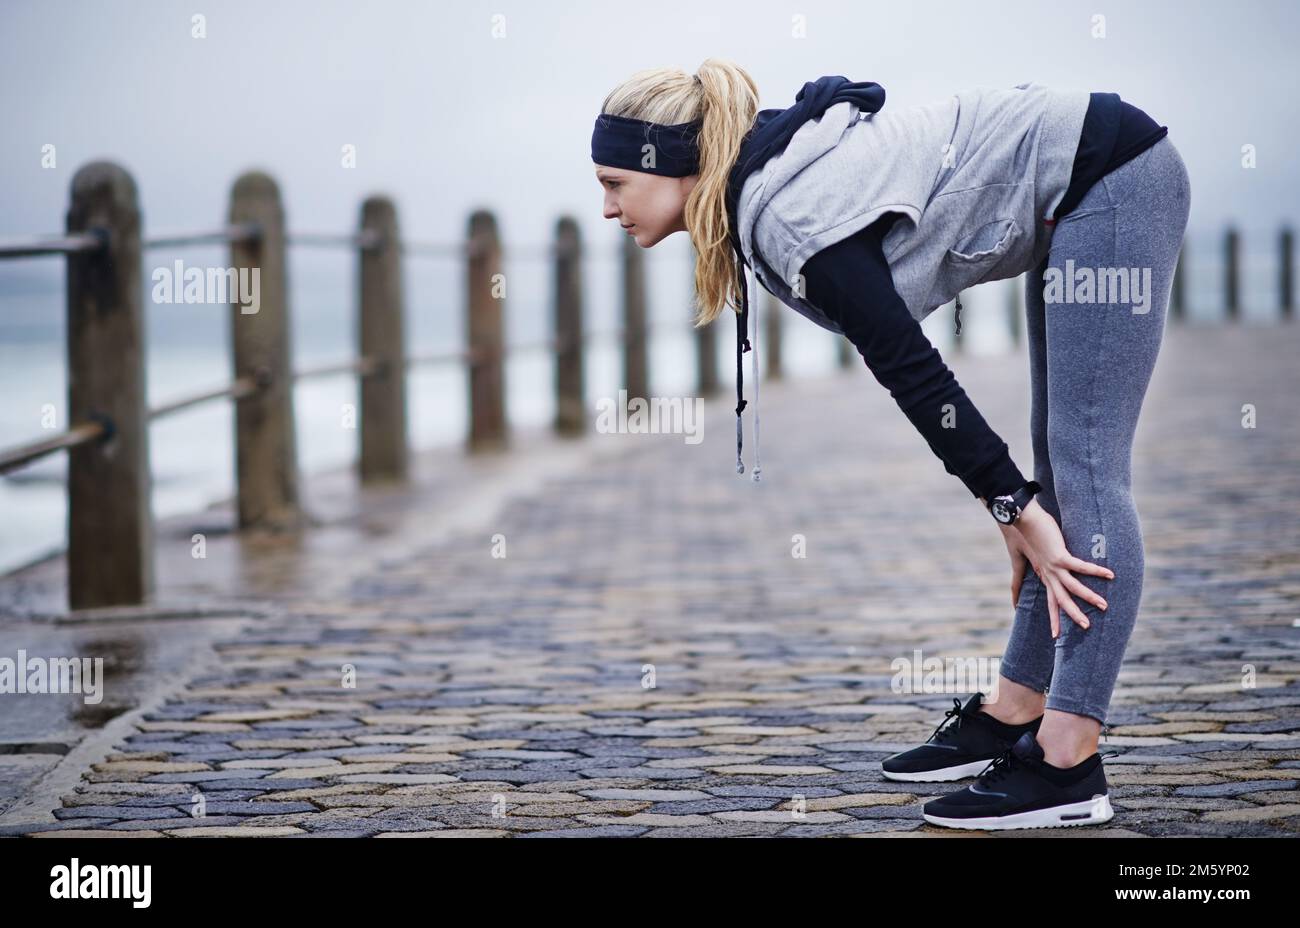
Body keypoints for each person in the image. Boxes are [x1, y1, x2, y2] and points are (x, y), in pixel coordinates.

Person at [590, 58, 1191, 830]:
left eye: (614, 183)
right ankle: (1017, 709)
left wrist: (1012, 508)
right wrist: (1016, 506)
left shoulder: (788, 216)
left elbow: (910, 369)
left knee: (1086, 473)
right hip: (1080, 184)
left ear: (672, 167)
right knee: (1060, 476)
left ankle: (1070, 760)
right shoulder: (764, 193)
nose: (606, 207)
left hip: (1113, 180)